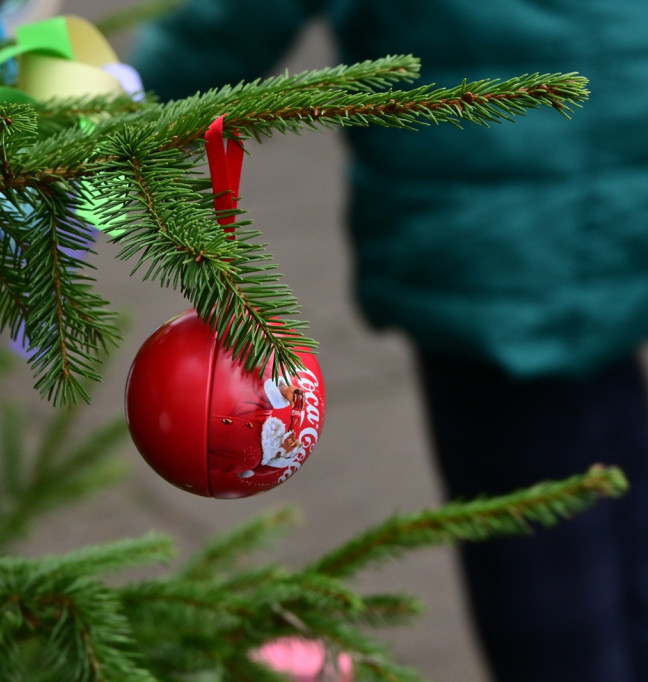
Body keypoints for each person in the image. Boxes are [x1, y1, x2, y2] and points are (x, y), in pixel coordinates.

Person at [129, 2, 648, 681]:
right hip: (610, 135)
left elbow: (234, 19)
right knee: (608, 457)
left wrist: (123, 107)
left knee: (534, 531)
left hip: (490, 201)